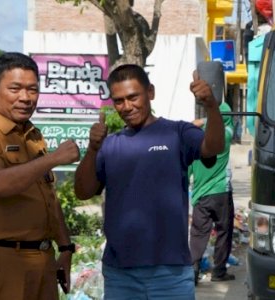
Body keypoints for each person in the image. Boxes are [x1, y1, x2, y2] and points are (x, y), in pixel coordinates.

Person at [73, 64, 225, 299]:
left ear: (150, 93)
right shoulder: (110, 145)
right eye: (119, 101)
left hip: (171, 273)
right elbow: (83, 192)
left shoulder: (177, 133)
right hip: (120, 273)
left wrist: (210, 106)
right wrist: (93, 149)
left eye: (133, 97)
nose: (127, 106)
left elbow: (213, 146)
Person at [0, 52, 80, 299]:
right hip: (4, 262)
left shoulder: (31, 134)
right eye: (15, 89)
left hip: (43, 260)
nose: (25, 98)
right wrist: (53, 158)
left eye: (32, 90)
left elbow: (49, 198)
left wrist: (65, 248)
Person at [188, 101, 235, 285]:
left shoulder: (197, 138)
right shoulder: (226, 135)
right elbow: (223, 122)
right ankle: (219, 271)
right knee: (224, 231)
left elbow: (189, 168)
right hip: (221, 192)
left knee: (198, 234)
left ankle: (193, 271)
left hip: (200, 195)